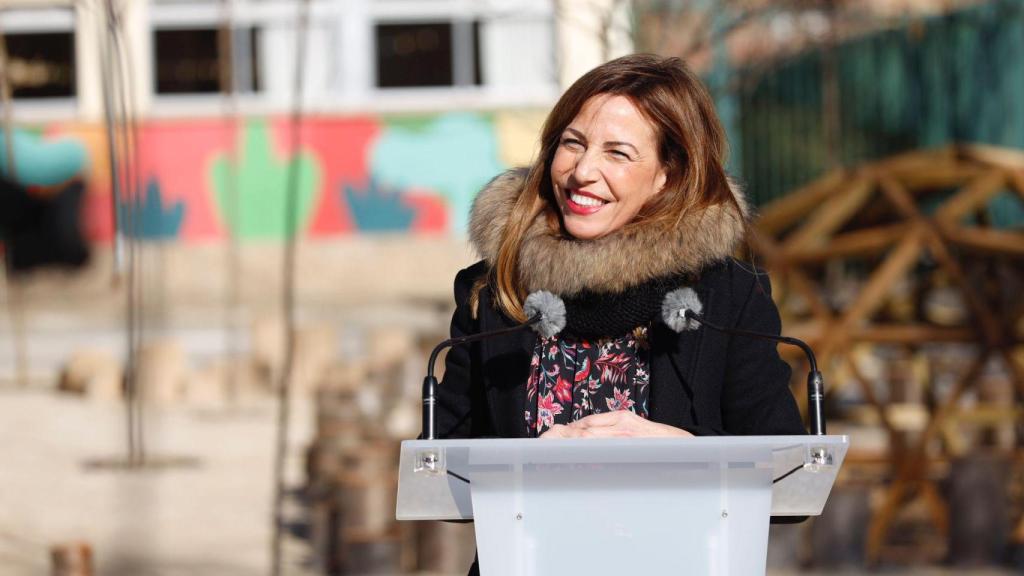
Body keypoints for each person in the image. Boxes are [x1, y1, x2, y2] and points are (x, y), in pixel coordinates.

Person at [435, 53, 804, 444]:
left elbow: (785, 481)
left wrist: (683, 450)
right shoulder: (496, 293)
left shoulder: (727, 298)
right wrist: (524, 469)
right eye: (573, 144)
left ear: (668, 175)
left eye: (618, 153)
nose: (582, 172)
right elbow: (439, 475)